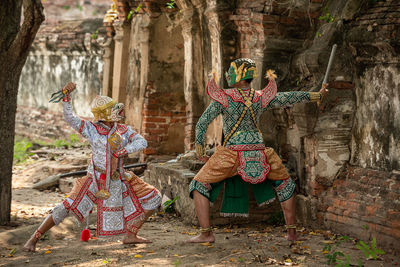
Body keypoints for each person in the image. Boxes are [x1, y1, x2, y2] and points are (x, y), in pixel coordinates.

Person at [187, 58, 328, 243]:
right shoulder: (260, 96)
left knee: (198, 186)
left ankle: (206, 234)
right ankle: (292, 233)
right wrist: (316, 95)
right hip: (260, 153)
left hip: (231, 155)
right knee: (286, 186)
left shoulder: (225, 97)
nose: (228, 74)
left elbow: (202, 123)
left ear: (238, 75)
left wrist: (200, 149)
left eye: (231, 71)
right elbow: (288, 97)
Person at [23, 82, 161, 252]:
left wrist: (123, 151)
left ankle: (131, 234)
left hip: (119, 178)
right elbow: (70, 118)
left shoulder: (124, 130)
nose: (117, 112)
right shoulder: (91, 128)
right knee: (66, 206)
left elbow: (142, 142)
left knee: (154, 197)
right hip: (94, 179)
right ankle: (34, 238)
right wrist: (66, 97)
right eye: (112, 109)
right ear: (104, 115)